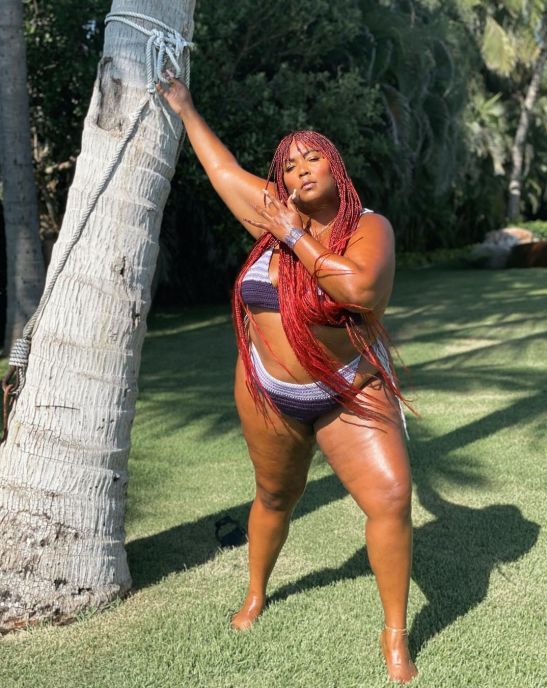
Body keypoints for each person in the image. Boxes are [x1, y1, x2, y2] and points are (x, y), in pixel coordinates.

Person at [157, 74, 418, 684]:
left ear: (336, 167)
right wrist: (185, 108)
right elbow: (222, 171)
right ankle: (256, 592)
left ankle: (394, 637)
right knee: (275, 496)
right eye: (289, 165)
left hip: (348, 388)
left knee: (390, 497)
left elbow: (359, 289)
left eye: (312, 158)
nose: (300, 170)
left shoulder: (369, 228)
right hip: (267, 390)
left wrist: (292, 234)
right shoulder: (273, 215)